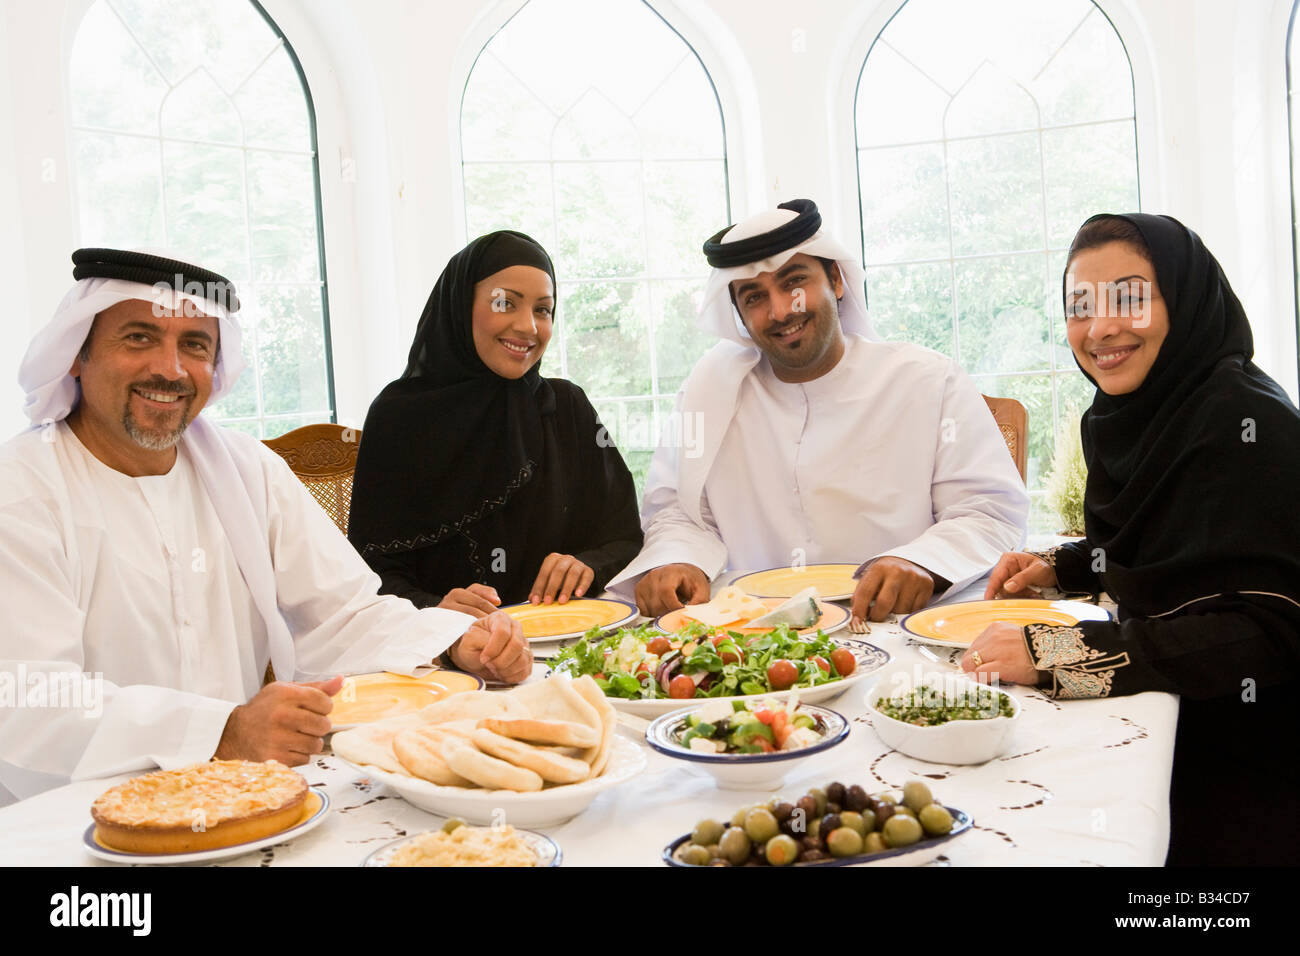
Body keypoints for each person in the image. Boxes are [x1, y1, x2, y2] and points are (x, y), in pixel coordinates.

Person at [0, 248, 531, 804]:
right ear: (77, 355)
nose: (170, 368)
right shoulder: (22, 488)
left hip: (245, 796)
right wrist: (221, 731)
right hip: (72, 820)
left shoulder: (246, 468)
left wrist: (452, 642)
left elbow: (343, 612)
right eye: (138, 337)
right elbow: (34, 696)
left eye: (194, 345)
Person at [964, 213, 1300, 866]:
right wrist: (1064, 566)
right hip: (1172, 716)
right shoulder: (1128, 415)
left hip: (1248, 760)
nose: (1101, 329)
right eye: (1079, 307)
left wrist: (1059, 652)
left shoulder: (1246, 423)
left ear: (1184, 300)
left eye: (1130, 298)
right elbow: (1172, 559)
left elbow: (1266, 635)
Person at [608, 200, 1029, 623]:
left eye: (794, 282)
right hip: (754, 634)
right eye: (754, 297)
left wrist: (923, 562)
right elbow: (677, 511)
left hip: (898, 624)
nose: (779, 311)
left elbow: (987, 509)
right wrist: (678, 559)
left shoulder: (929, 381)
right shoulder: (706, 395)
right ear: (738, 314)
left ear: (836, 280)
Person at [347, 231, 642, 617]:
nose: (528, 327)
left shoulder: (567, 407)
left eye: (543, 310)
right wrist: (435, 609)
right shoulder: (398, 417)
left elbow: (624, 538)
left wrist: (587, 564)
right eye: (505, 303)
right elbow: (369, 571)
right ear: (460, 304)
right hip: (447, 658)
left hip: (567, 642)